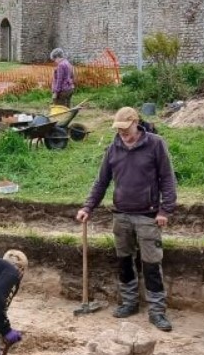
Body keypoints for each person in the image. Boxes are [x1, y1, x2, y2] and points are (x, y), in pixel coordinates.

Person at [76, 107, 177, 332]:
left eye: (125, 128)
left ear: (135, 122)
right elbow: (101, 182)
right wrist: (87, 207)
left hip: (148, 215)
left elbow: (168, 179)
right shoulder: (114, 148)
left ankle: (157, 311)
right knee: (124, 261)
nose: (122, 132)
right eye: (118, 129)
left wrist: (164, 211)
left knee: (151, 264)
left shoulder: (155, 144)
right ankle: (129, 303)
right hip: (121, 214)